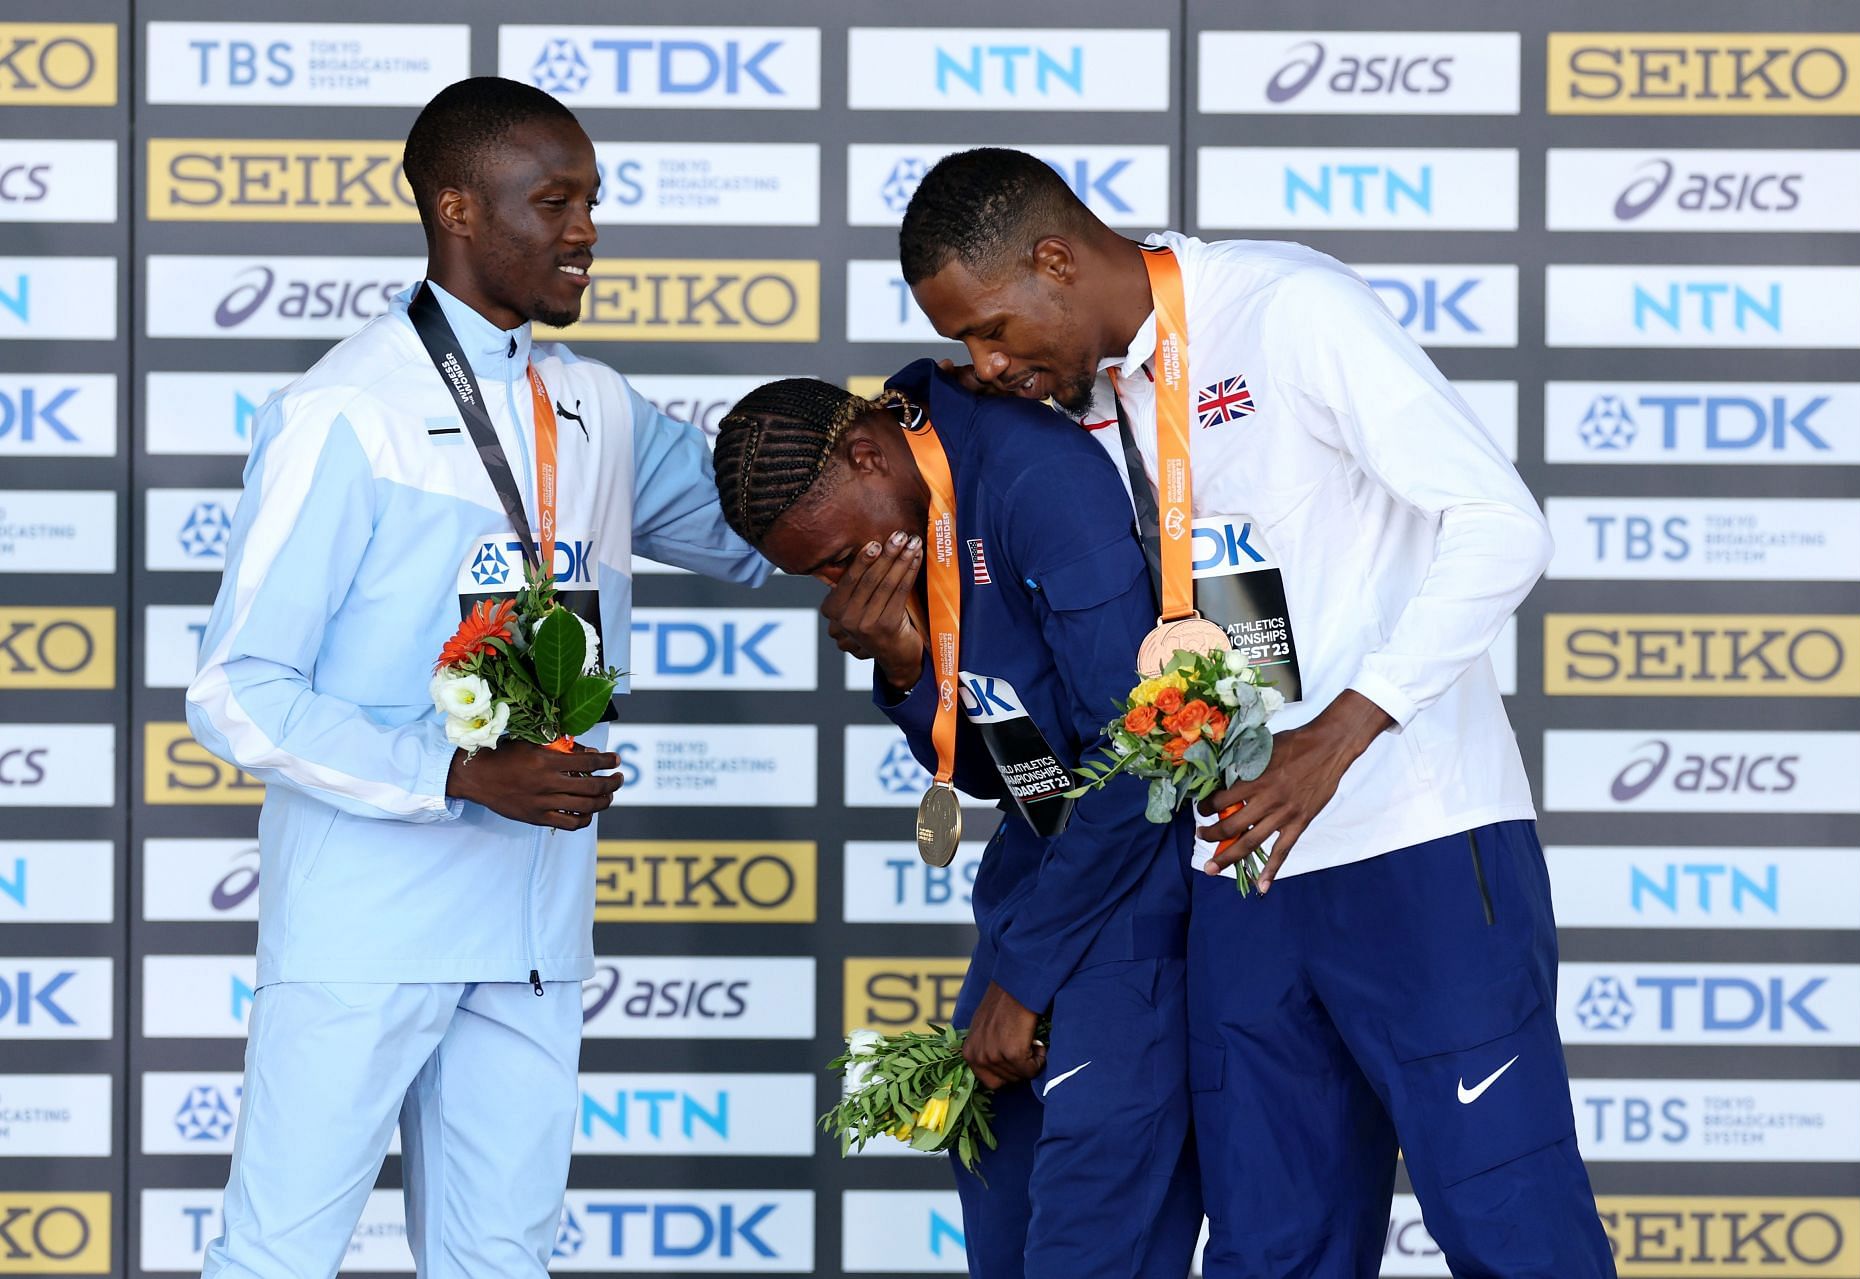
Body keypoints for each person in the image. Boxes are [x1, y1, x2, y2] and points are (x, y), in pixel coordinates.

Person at [899, 148, 1614, 1279]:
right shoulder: (1089, 402)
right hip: (1237, 874)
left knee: (1509, 1231)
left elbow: (1502, 522)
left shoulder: (1291, 309)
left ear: (1055, 259)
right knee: (1274, 1250)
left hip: (1414, 843)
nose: (986, 365)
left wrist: (1345, 725)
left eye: (994, 328)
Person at [183, 77, 768, 1277]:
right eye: (554, 201)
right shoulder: (346, 411)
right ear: (457, 207)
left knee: (500, 1261)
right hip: (369, 929)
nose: (586, 231)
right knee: (277, 1259)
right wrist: (454, 772)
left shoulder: (593, 404)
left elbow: (759, 533)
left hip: (533, 927)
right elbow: (237, 688)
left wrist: (920, 467)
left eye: (593, 202)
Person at [709, 366, 1200, 1278]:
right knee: (1003, 1241)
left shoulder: (1027, 474)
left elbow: (1143, 763)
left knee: (1085, 1254)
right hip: (1042, 888)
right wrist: (902, 662)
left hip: (1138, 900)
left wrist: (1023, 975)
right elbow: (1008, 770)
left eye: (836, 554)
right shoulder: (911, 490)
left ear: (867, 453)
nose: (837, 582)